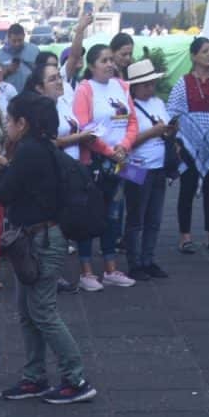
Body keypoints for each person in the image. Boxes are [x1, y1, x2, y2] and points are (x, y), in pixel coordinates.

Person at [0, 92, 95, 405]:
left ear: (22, 123)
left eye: (10, 121)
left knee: (43, 311)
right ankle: (34, 376)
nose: (7, 126)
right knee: (28, 311)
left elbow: (5, 192)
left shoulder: (27, 152)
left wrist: (2, 164)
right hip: (42, 236)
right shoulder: (45, 149)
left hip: (40, 240)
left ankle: (75, 378)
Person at [65, 45, 134, 292]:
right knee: (89, 215)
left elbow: (132, 121)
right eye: (103, 60)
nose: (109, 64)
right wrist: (108, 151)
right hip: (93, 163)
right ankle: (86, 271)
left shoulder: (121, 86)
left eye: (110, 60)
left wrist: (124, 146)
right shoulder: (85, 90)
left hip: (119, 161)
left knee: (112, 217)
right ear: (92, 65)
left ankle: (111, 268)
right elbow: (85, 128)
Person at [168, 37, 209, 256]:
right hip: (189, 143)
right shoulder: (184, 82)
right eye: (205, 51)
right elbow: (172, 111)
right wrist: (177, 140)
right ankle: (184, 237)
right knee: (187, 187)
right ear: (194, 55)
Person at [116, 56, 176, 281]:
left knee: (154, 218)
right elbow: (126, 140)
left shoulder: (158, 103)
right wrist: (154, 132)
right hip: (135, 166)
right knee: (135, 218)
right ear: (135, 87)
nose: (151, 88)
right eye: (146, 84)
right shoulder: (126, 107)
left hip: (159, 166)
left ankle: (148, 259)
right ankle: (135, 263)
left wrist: (169, 131)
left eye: (152, 83)